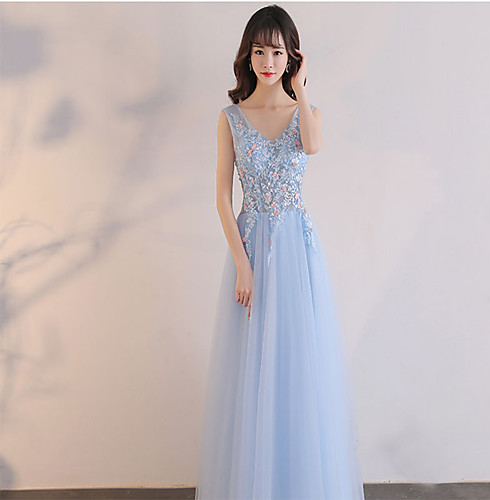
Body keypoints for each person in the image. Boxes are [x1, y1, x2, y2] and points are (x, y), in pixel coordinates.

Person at [195, 4, 365, 499]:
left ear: (292, 56)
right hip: (250, 247)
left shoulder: (306, 114)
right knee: (251, 366)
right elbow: (222, 199)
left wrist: (301, 88)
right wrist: (242, 265)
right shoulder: (230, 118)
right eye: (259, 51)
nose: (267, 62)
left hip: (297, 251)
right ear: (247, 56)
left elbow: (312, 147)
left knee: (298, 362)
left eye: (277, 52)